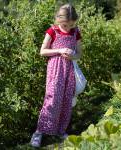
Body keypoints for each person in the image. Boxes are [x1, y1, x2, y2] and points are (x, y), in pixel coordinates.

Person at [30, 3, 82, 147]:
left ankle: (60, 130)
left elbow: (80, 54)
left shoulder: (76, 31)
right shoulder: (52, 30)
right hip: (55, 69)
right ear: (59, 20)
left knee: (66, 100)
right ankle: (39, 132)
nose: (68, 28)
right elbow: (42, 51)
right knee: (52, 98)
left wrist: (73, 56)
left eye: (71, 25)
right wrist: (60, 50)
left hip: (69, 70)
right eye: (65, 25)